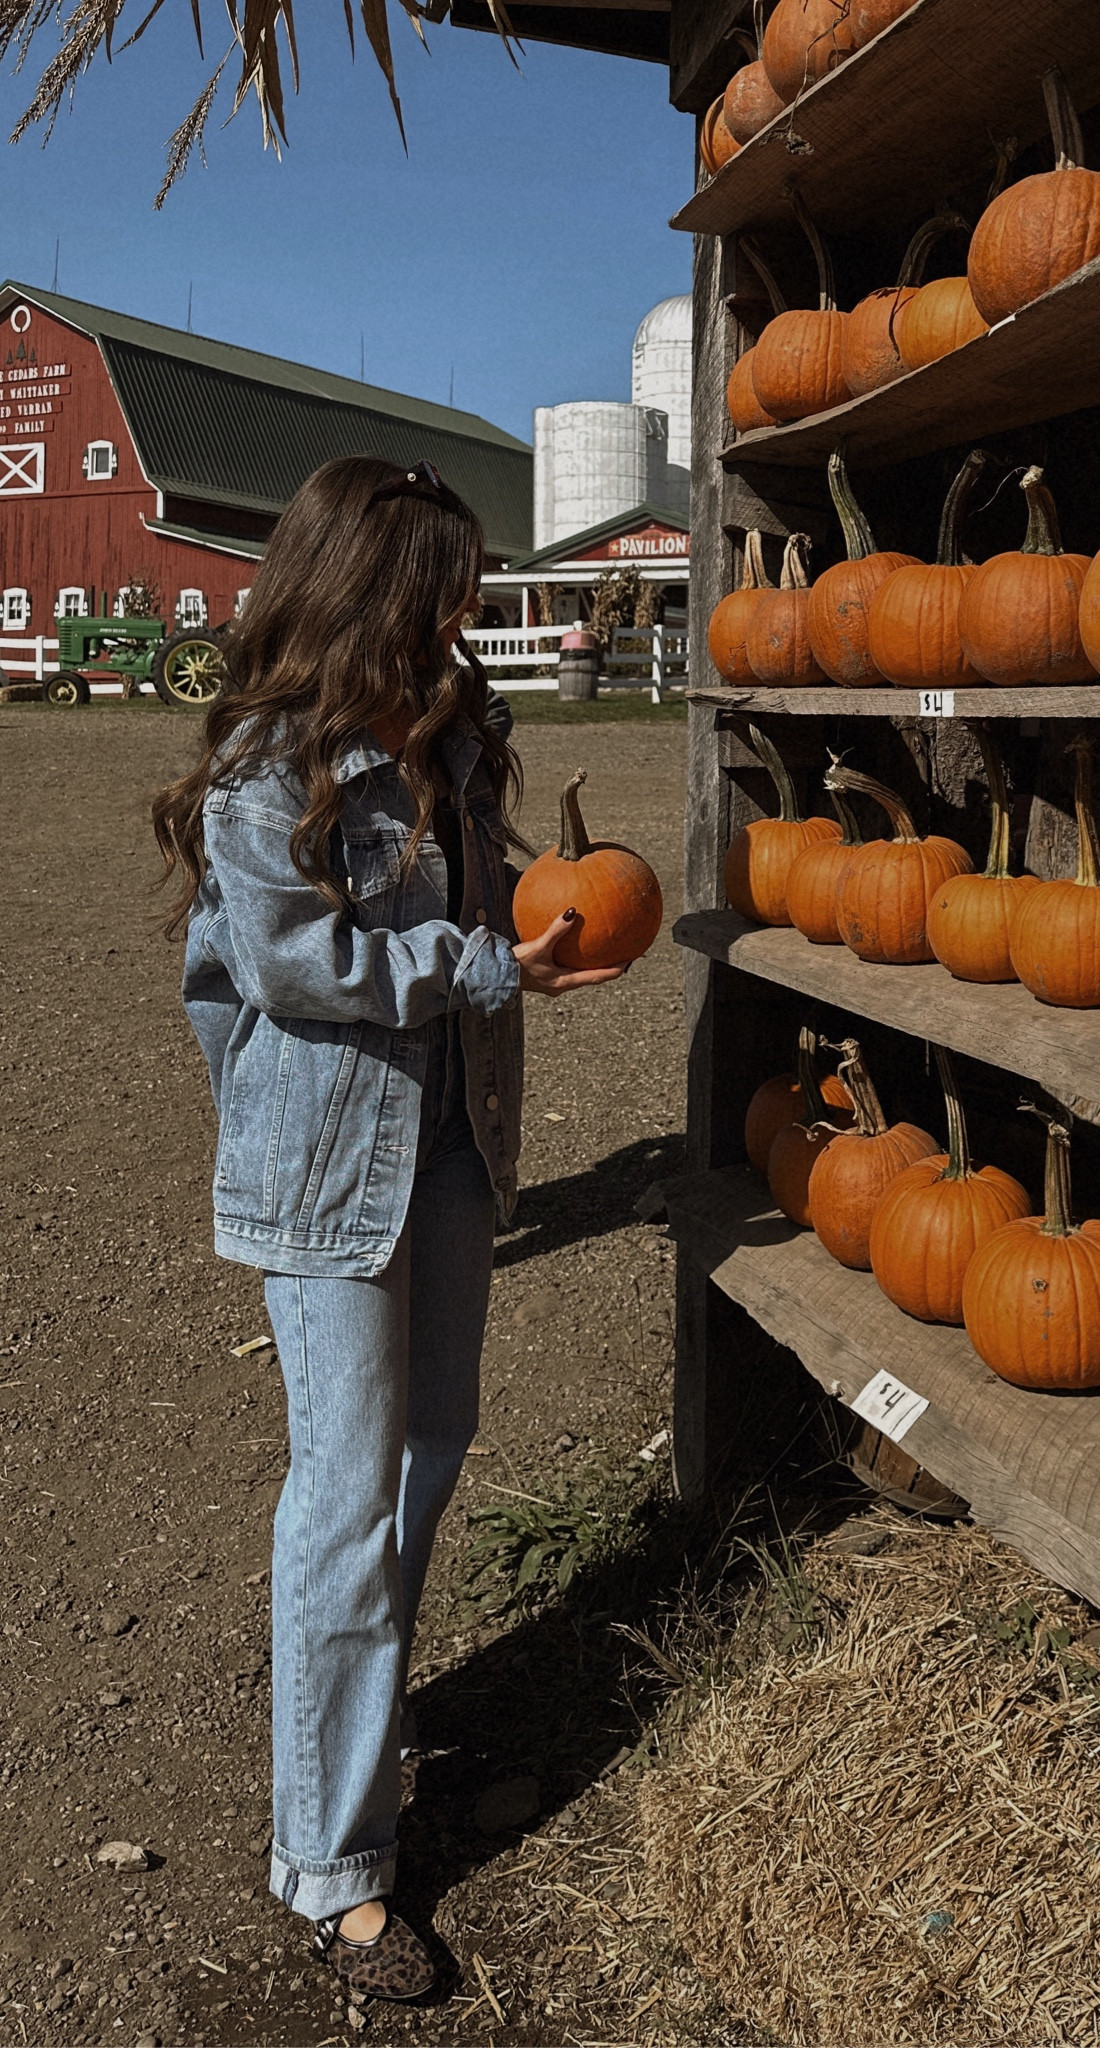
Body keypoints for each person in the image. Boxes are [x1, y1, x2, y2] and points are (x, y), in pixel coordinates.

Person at [151, 455, 621, 2003]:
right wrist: (495, 968)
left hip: (452, 1148)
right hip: (323, 1166)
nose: (471, 610)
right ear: (370, 589)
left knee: (432, 1449)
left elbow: (499, 910)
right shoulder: (268, 769)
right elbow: (300, 968)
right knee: (345, 1495)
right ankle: (336, 1864)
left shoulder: (456, 738)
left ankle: (354, 1716)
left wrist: (538, 913)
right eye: (448, 587)